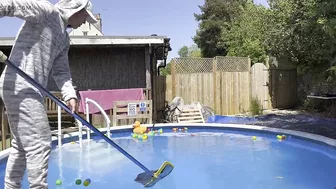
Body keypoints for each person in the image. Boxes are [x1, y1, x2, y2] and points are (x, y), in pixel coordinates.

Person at [0, 0, 97, 188]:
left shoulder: (64, 39)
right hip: (19, 84)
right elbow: (10, 5)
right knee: (41, 142)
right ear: (76, 9)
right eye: (85, 15)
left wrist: (70, 95)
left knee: (21, 145)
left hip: (29, 88)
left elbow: (61, 71)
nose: (86, 21)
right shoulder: (46, 11)